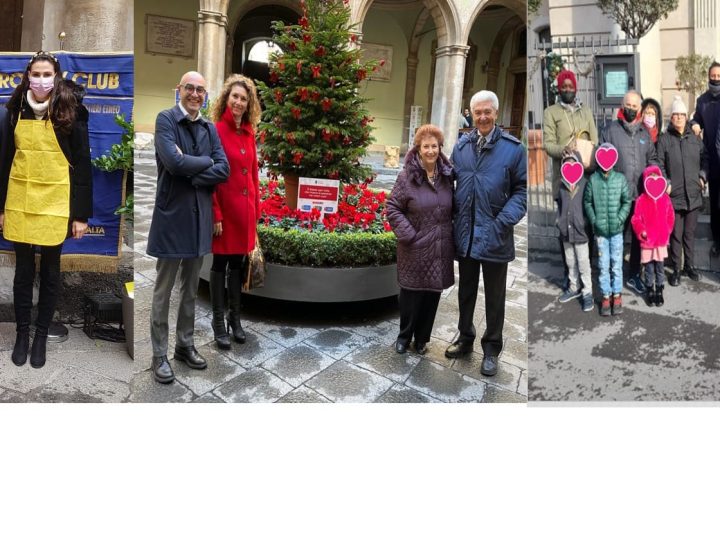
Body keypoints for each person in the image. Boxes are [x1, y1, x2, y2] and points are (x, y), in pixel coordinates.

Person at [0, 51, 92, 369]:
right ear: (27, 76)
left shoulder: (72, 109)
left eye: (46, 74)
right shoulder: (14, 110)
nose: (41, 80)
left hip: (56, 201)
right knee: (24, 272)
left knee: (51, 273)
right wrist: (1, 207)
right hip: (20, 199)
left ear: (56, 76)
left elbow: (82, 165)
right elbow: (4, 161)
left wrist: (80, 215)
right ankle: (22, 334)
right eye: (35, 74)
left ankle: (41, 336)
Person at [146, 71, 230, 384]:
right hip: (172, 217)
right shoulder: (165, 120)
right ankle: (159, 355)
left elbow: (224, 169)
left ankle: (184, 344)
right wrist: (205, 163)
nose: (195, 94)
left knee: (191, 288)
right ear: (179, 89)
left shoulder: (209, 127)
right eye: (189, 88)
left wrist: (195, 167)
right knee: (163, 290)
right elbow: (173, 162)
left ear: (206, 96)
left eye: (200, 90)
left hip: (199, 219)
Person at [444, 90, 527, 376]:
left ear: (496, 113)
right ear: (471, 114)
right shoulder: (462, 146)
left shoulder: (513, 149)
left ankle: (491, 348)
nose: (482, 117)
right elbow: (449, 183)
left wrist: (503, 221)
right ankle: (465, 337)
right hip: (466, 233)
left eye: (487, 112)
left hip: (495, 233)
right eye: (477, 112)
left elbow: (522, 190)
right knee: (465, 291)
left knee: (495, 296)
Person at [387, 124, 454, 355]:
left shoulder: (447, 176)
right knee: (410, 295)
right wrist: (409, 236)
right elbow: (393, 208)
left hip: (439, 248)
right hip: (414, 248)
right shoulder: (407, 177)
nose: (430, 151)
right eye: (426, 146)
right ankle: (404, 337)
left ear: (440, 148)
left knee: (432, 295)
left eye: (434, 146)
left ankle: (422, 339)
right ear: (418, 149)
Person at [208, 74, 261, 349]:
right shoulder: (216, 130)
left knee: (238, 265)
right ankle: (219, 324)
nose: (239, 102)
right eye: (235, 97)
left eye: (244, 98)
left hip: (245, 213)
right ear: (226, 99)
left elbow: (253, 174)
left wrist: (256, 211)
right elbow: (211, 175)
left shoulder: (250, 132)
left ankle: (235, 319)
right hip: (225, 212)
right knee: (220, 265)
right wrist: (215, 212)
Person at [600, 89, 659, 295]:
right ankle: (611, 273)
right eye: (628, 105)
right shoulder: (609, 131)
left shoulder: (644, 134)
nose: (631, 109)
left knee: (636, 239)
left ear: (640, 109)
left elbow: (653, 160)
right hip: (617, 197)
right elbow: (602, 163)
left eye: (635, 106)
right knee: (614, 235)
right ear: (622, 106)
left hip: (640, 197)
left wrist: (655, 178)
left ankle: (634, 273)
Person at [656, 96, 707, 286]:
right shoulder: (664, 140)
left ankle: (690, 266)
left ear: (686, 117)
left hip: (693, 194)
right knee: (676, 235)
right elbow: (658, 163)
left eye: (681, 114)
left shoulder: (695, 139)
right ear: (671, 117)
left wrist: (702, 177)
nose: (678, 117)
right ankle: (676, 269)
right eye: (675, 114)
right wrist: (665, 182)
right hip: (674, 196)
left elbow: (706, 159)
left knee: (689, 234)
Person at [584, 143, 631, 317]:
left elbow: (627, 201)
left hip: (617, 231)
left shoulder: (620, 179)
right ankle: (605, 295)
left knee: (616, 265)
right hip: (601, 233)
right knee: (603, 265)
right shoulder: (593, 180)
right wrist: (595, 221)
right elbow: (587, 202)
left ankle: (617, 295)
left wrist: (619, 219)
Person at [543, 69, 598, 198]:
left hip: (585, 173)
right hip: (564, 174)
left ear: (575, 89)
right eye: (564, 87)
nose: (568, 90)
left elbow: (594, 140)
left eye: (571, 86)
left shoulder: (586, 111)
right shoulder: (550, 112)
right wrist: (563, 150)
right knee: (565, 215)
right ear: (559, 89)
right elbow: (548, 145)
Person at [631, 165, 675, 307]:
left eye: (657, 178)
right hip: (647, 241)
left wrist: (666, 230)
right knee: (649, 267)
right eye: (651, 179)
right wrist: (641, 231)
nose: (654, 181)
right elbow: (636, 219)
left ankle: (659, 289)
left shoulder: (665, 199)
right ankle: (650, 289)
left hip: (660, 241)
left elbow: (670, 216)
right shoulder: (641, 200)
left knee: (660, 267)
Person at [555, 152, 593, 312]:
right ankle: (573, 286)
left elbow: (588, 205)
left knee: (583, 262)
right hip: (566, 232)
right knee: (570, 261)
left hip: (581, 232)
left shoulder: (585, 184)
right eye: (566, 165)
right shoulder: (562, 187)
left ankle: (587, 291)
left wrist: (584, 223)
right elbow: (560, 206)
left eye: (573, 164)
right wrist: (559, 221)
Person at [690, 61, 720, 256]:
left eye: (719, 76)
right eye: (713, 76)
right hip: (713, 161)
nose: (716, 79)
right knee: (716, 206)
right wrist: (693, 123)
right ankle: (717, 241)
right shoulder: (702, 101)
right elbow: (696, 119)